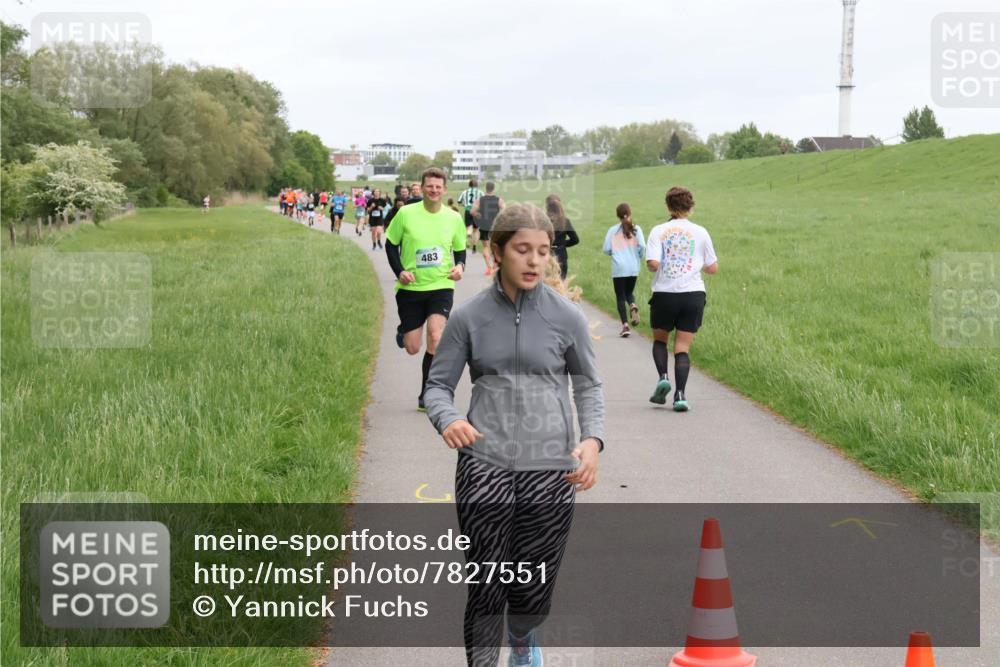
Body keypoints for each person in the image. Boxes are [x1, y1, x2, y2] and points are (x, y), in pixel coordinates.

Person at [424, 202, 605, 667]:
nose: (534, 260)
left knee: (532, 590)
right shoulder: (469, 317)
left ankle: (522, 637)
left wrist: (592, 441)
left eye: (543, 251)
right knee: (486, 585)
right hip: (484, 464)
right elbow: (437, 387)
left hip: (553, 469)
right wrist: (448, 419)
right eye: (523, 250)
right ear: (497, 251)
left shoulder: (567, 317)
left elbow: (588, 385)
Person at [384, 167, 466, 411]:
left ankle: (427, 395)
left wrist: (460, 266)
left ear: (445, 190)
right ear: (422, 187)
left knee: (435, 336)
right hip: (410, 287)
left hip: (441, 285)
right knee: (412, 347)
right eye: (429, 186)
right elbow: (391, 245)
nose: (434, 190)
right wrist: (400, 271)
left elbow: (460, 249)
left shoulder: (453, 218)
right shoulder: (406, 213)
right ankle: (404, 330)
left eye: (438, 187)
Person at [645, 186, 718, 411]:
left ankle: (663, 377)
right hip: (693, 295)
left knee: (660, 341)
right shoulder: (701, 232)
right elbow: (713, 267)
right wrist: (696, 264)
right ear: (691, 206)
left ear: (668, 206)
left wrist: (661, 263)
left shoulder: (658, 230)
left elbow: (652, 264)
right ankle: (680, 396)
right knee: (682, 348)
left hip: (665, 294)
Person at [603, 202, 646, 338]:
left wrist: (614, 253)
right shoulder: (637, 229)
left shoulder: (612, 230)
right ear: (630, 213)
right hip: (633, 267)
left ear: (618, 216)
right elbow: (642, 247)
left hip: (619, 267)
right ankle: (632, 304)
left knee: (620, 296)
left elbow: (606, 249)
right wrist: (638, 256)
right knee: (629, 292)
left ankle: (625, 326)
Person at [471, 181, 504, 276]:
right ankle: (495, 266)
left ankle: (489, 267)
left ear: (486, 188)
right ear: (493, 188)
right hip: (495, 226)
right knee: (496, 246)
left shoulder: (480, 200)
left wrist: (478, 215)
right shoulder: (499, 200)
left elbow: (472, 211)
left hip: (484, 225)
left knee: (486, 247)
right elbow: (504, 210)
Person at [545, 194, 578, 280]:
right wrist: (562, 244)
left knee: (546, 282)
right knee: (561, 283)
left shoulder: (543, 221)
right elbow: (575, 240)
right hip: (561, 255)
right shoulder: (565, 221)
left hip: (546, 255)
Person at [458, 178, 483, 253]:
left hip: (468, 210)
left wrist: (465, 205)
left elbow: (459, 202)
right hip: (477, 211)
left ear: (469, 185)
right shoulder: (480, 192)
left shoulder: (465, 192)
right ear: (476, 185)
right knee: (476, 230)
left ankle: (468, 234)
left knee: (469, 227)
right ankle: (474, 246)